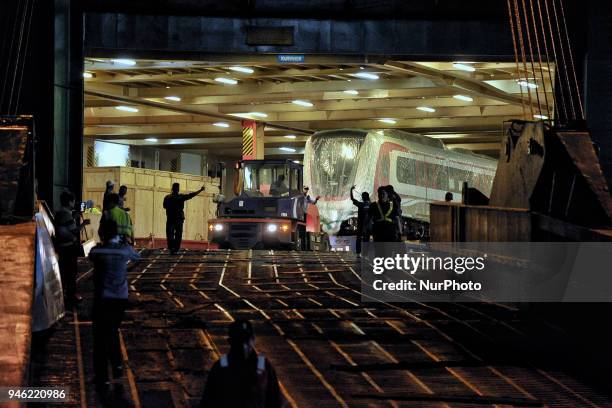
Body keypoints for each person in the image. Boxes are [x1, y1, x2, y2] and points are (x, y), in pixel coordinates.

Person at [89, 219, 140, 389]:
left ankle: (102, 375)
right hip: (120, 297)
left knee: (100, 337)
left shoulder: (98, 251)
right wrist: (126, 270)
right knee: (112, 330)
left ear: (102, 233)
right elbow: (137, 258)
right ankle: (117, 364)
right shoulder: (124, 250)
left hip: (103, 297)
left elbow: (92, 257)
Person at [199, 320, 285, 408]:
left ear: (253, 339)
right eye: (239, 341)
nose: (244, 346)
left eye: (247, 340)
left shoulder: (263, 365)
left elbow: (275, 400)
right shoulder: (221, 365)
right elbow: (208, 400)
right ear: (230, 341)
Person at [54, 191, 82, 308]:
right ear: (70, 201)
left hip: (62, 247)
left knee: (64, 272)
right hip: (68, 248)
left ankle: (64, 295)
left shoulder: (61, 213)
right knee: (70, 273)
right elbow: (74, 230)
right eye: (73, 201)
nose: (74, 203)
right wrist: (83, 224)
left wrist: (73, 217)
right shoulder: (66, 214)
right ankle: (70, 297)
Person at [163, 183, 205, 254]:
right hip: (179, 218)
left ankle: (171, 248)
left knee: (170, 234)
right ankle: (176, 249)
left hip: (170, 218)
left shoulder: (167, 197)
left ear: (172, 189)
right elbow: (191, 195)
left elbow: (164, 206)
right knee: (178, 234)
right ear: (178, 189)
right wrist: (200, 190)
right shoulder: (181, 197)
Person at [350, 185, 370, 254]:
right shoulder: (371, 205)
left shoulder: (361, 204)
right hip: (368, 226)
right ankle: (365, 253)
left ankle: (358, 253)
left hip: (361, 225)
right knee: (366, 240)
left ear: (363, 197)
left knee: (359, 239)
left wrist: (351, 190)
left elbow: (352, 198)